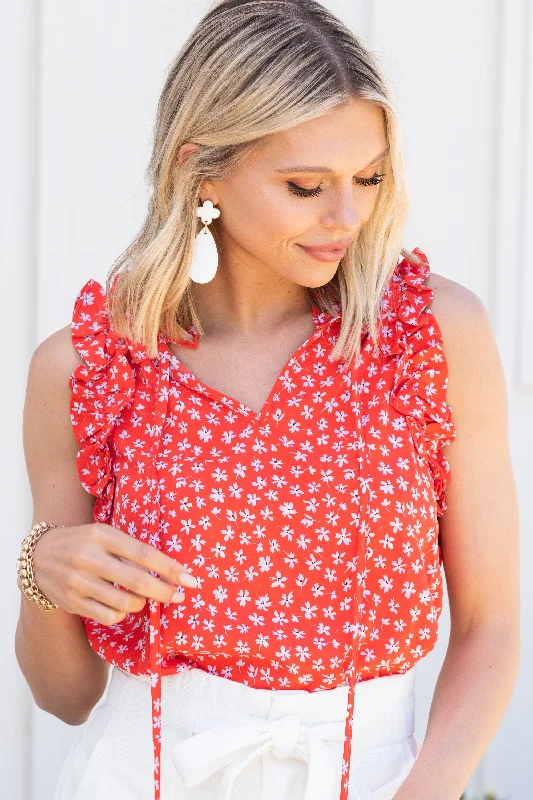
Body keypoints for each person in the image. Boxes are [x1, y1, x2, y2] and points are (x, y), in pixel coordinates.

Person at [15, 1, 520, 799]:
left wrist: (430, 788)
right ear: (199, 168)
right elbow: (66, 697)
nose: (347, 216)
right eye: (306, 185)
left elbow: (490, 625)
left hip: (379, 776)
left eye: (369, 177)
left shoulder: (429, 337)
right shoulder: (89, 367)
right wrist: (40, 571)